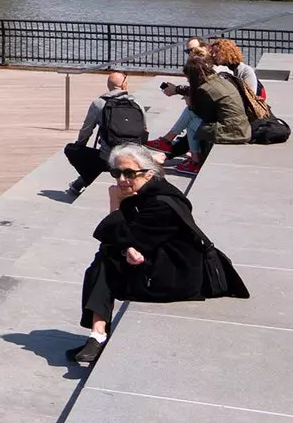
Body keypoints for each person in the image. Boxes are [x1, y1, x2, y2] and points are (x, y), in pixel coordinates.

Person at [67, 143, 247, 364]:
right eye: (117, 173)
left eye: (129, 173)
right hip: (159, 262)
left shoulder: (161, 203)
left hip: (177, 276)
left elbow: (128, 239)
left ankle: (98, 335)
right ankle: (98, 333)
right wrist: (126, 246)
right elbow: (123, 240)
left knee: (106, 261)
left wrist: (115, 204)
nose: (122, 179)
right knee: (105, 257)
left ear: (148, 173)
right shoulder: (142, 194)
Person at [63, 72, 147, 197]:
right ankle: (78, 183)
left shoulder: (99, 104)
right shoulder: (137, 105)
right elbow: (144, 130)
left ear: (108, 85)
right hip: (133, 156)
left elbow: (86, 130)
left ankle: (83, 181)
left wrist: (80, 145)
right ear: (124, 85)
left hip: (108, 159)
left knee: (72, 150)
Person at [174, 54, 251, 176]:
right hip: (243, 127)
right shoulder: (217, 80)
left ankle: (195, 161)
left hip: (233, 131)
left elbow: (206, 115)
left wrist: (190, 103)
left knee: (192, 123)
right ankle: (170, 140)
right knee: (192, 117)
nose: (188, 80)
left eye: (188, 77)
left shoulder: (205, 89)